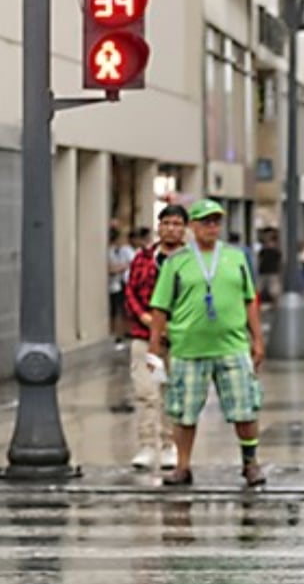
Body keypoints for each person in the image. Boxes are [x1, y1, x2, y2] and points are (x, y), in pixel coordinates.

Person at [148, 199, 266, 487]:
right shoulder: (177, 262)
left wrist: (258, 339)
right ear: (193, 227)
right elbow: (160, 307)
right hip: (189, 348)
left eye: (216, 221)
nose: (212, 227)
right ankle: (183, 466)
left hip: (232, 346)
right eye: (205, 221)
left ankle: (250, 463)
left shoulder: (236, 258)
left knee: (245, 408)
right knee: (184, 412)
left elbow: (249, 300)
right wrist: (154, 349)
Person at [123, 205, 188, 470]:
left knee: (174, 393)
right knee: (146, 392)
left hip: (179, 338)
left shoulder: (191, 260)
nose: (171, 228)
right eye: (166, 223)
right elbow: (130, 293)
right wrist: (146, 319)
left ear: (184, 229)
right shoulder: (143, 258)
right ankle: (147, 445)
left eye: (177, 224)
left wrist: (174, 326)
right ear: (159, 227)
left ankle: (170, 444)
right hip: (143, 335)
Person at [108, 228, 136, 344]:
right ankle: (114, 334)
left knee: (120, 310)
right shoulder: (109, 251)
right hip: (113, 285)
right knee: (114, 311)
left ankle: (119, 333)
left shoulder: (117, 251)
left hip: (118, 285)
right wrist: (123, 266)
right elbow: (111, 269)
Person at [257, 230, 282, 304]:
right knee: (270, 291)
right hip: (268, 273)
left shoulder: (268, 251)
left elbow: (259, 261)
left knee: (273, 291)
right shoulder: (272, 251)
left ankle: (275, 305)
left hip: (269, 273)